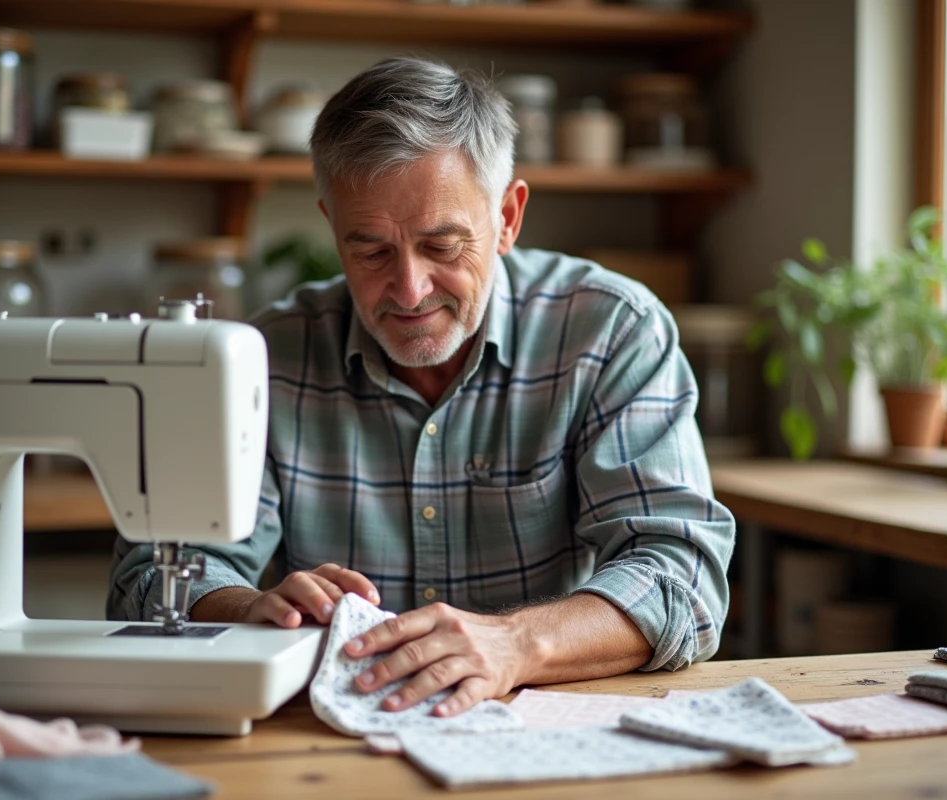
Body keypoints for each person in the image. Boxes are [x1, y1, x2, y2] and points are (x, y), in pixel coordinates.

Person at [109, 57, 734, 719]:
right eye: (371, 250)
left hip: (548, 731)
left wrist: (516, 644)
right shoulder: (265, 358)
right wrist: (247, 607)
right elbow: (149, 574)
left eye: (442, 245)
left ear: (508, 216)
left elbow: (682, 579)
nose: (409, 290)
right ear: (331, 226)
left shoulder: (609, 330)